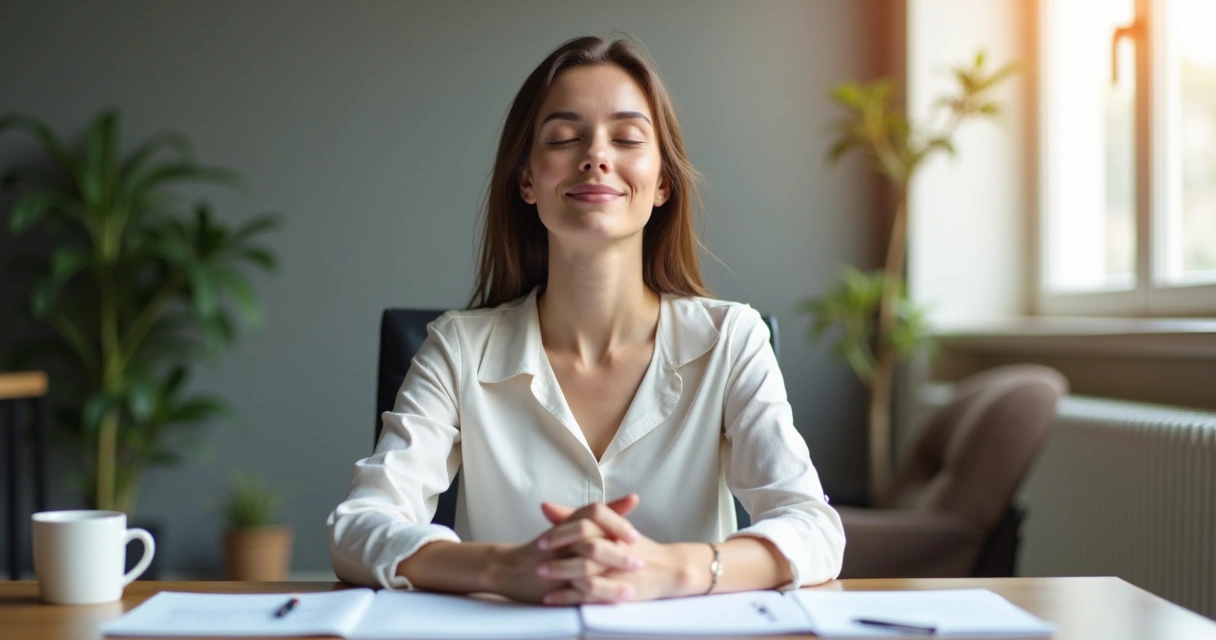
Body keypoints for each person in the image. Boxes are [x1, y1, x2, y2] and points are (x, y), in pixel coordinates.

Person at [328, 35, 844, 605]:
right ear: (527, 180)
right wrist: (504, 568)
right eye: (565, 138)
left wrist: (675, 568)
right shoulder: (458, 348)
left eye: (626, 138)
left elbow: (814, 529)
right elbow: (357, 528)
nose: (596, 156)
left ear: (663, 183)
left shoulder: (732, 341)